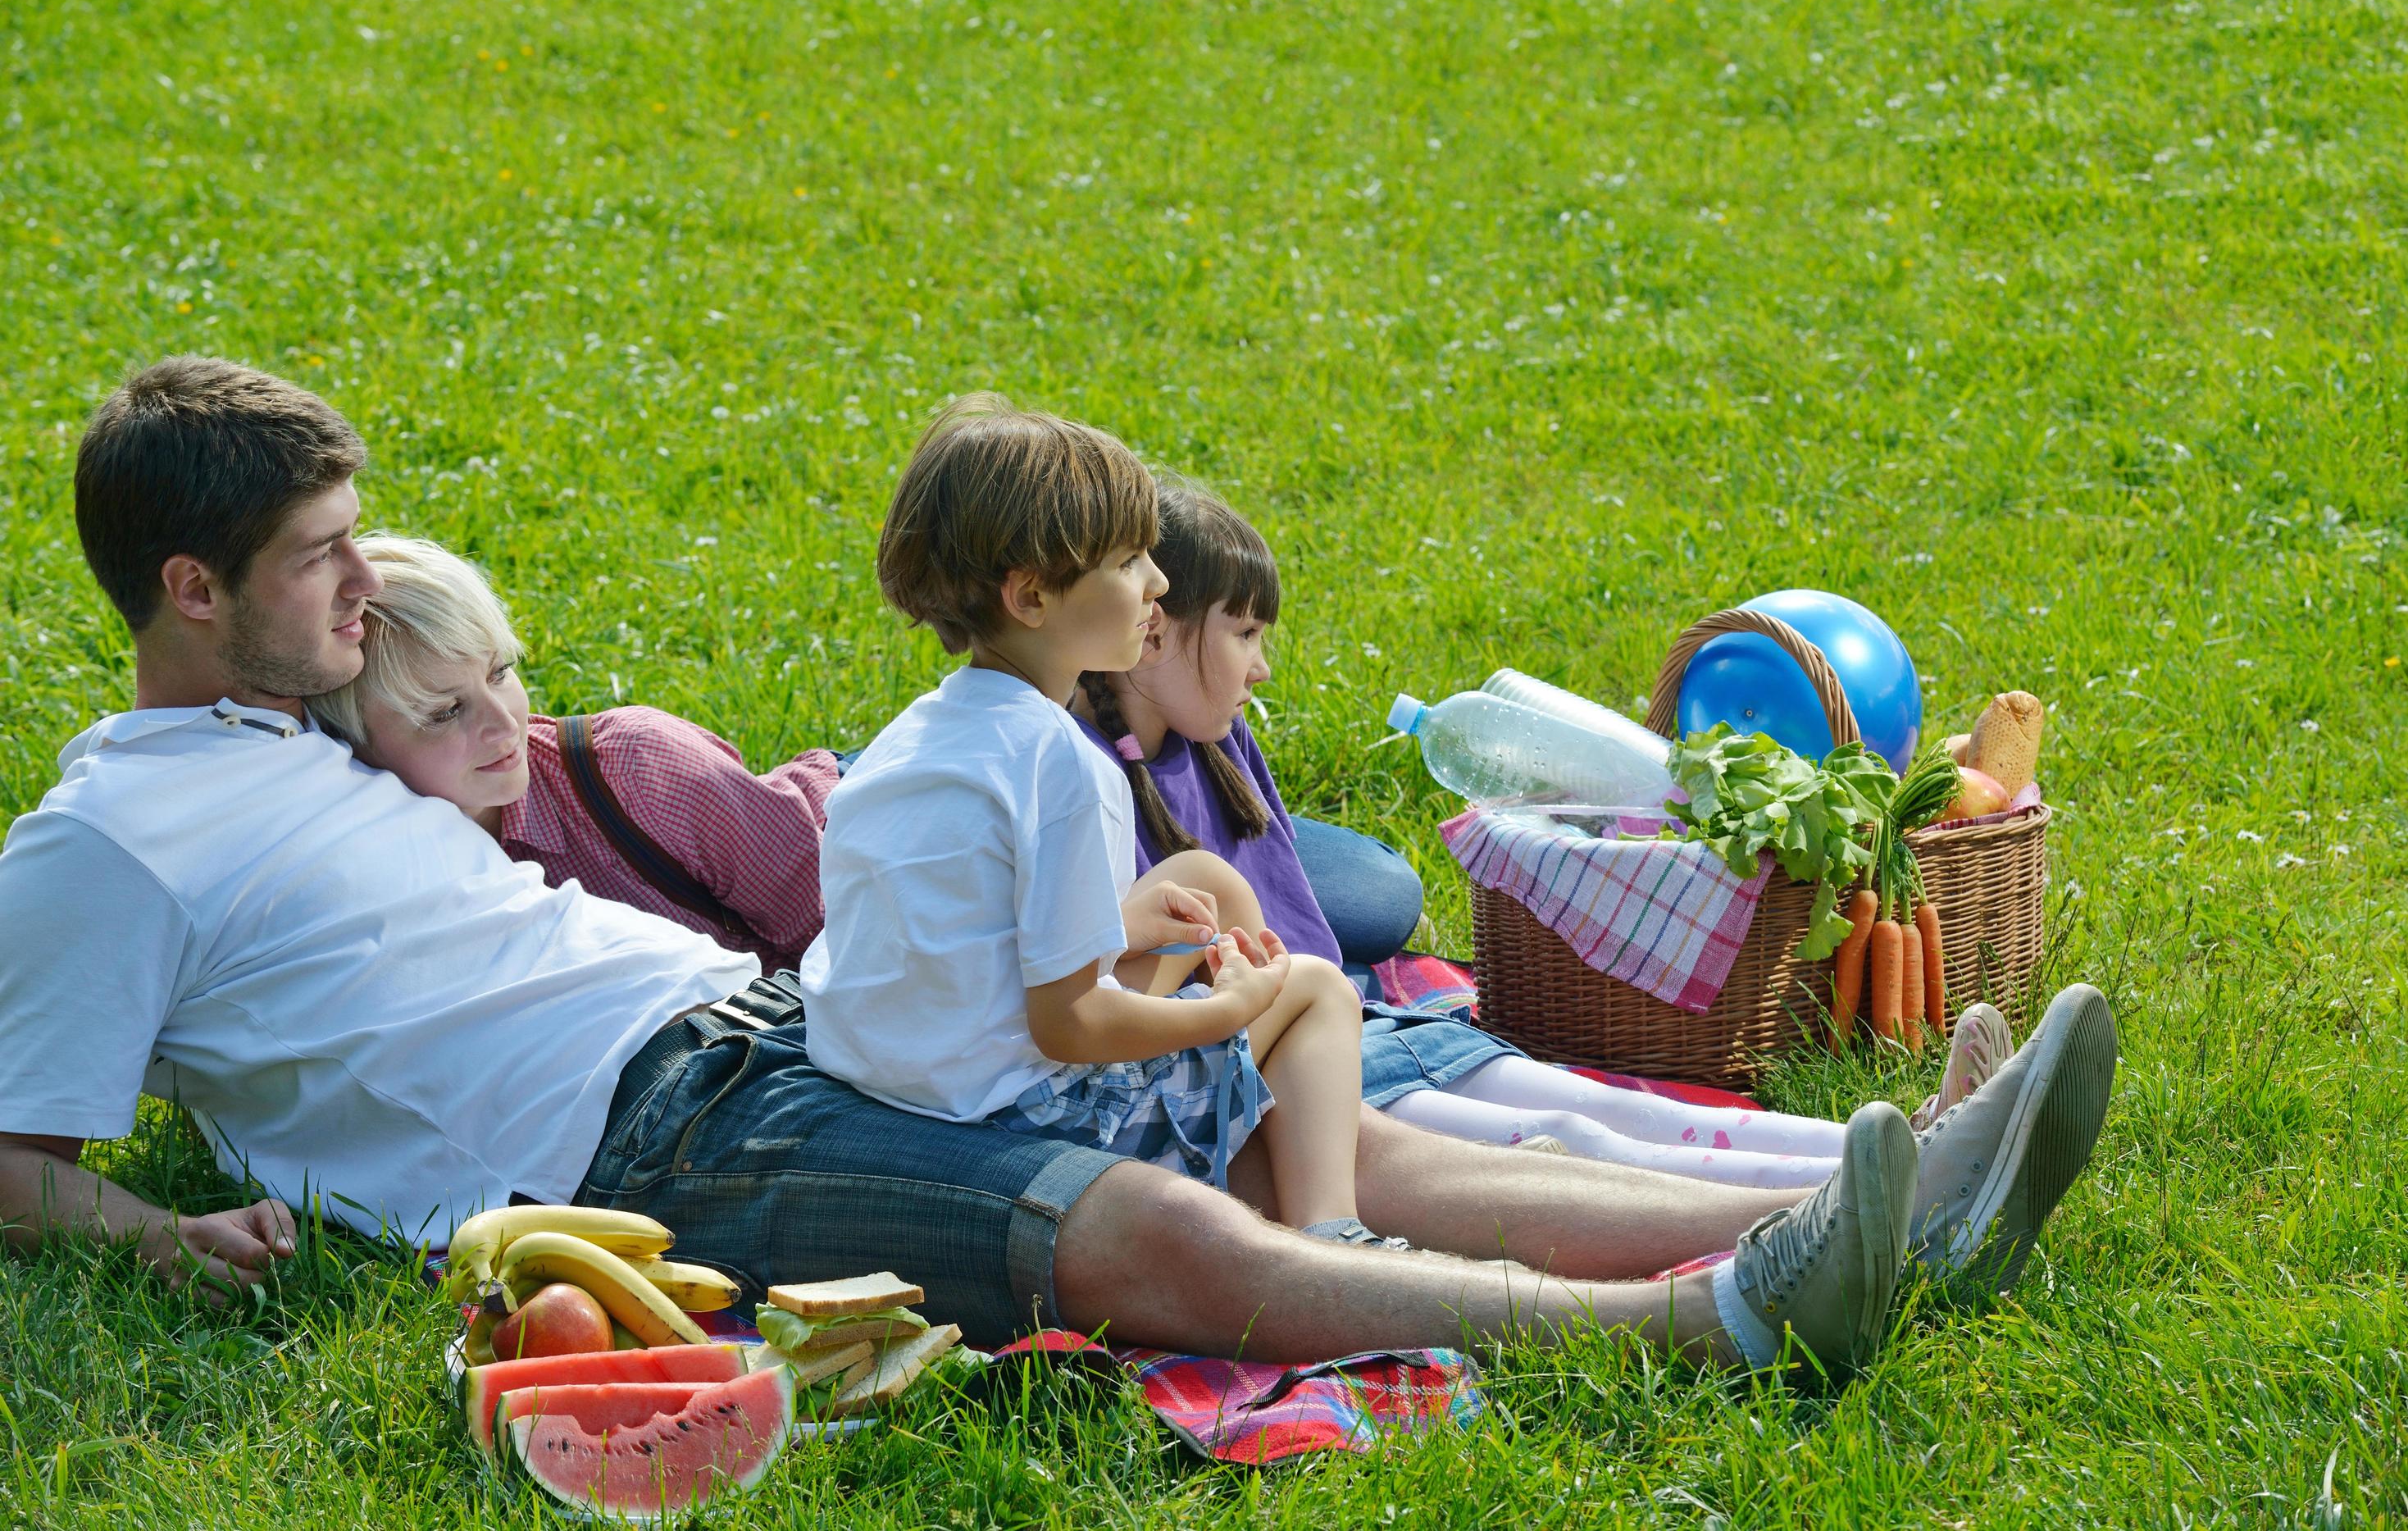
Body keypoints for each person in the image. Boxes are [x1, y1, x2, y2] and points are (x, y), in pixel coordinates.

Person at [0, 357, 2119, 1387]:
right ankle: (1705, 1327)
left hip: (748, 1021)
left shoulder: (303, 731)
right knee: (1127, 1224)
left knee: (1326, 1091)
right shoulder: (107, 839)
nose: (364, 589)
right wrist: (171, 1237)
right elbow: (14, 1157)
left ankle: (1869, 1196)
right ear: (188, 592)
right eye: (316, 562)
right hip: (635, 1143)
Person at [1071, 481, 2018, 1187]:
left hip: (1359, 1021)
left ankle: (1917, 1131)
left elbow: (1303, 918)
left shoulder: (1211, 736)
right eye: (1243, 635)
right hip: (1290, 1066)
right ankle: (1868, 1182)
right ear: (1152, 634)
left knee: (1583, 1098)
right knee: (1576, 1145)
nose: (1264, 667)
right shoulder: (1090, 784)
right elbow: (1120, 1002)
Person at [793, 394, 1391, 1242]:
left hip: (902, 1091)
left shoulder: (917, 735)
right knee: (1316, 989)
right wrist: (1230, 1009)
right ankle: (1335, 1235)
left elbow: (965, 930)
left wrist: (1120, 925)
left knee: (1186, 886)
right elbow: (1071, 1025)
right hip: (1027, 1126)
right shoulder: (1064, 763)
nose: (1158, 583)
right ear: (1032, 595)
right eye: (1131, 560)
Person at [307, 535, 841, 973]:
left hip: (856, 843)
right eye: (445, 711)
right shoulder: (381, 886)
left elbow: (845, 939)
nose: (502, 725)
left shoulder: (636, 767)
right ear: (351, 747)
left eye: (499, 672)